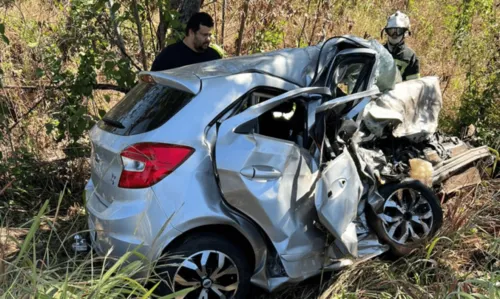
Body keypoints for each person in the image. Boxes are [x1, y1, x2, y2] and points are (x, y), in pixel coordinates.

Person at [150, 12, 222, 71]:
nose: (208, 39)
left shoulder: (214, 57)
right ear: (191, 32)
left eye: (209, 35)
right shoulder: (168, 56)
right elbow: (154, 85)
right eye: (204, 35)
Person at [382, 11, 420, 81]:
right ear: (386, 32)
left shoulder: (410, 56)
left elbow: (413, 86)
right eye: (391, 31)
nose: (394, 35)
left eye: (398, 31)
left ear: (405, 33)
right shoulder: (379, 51)